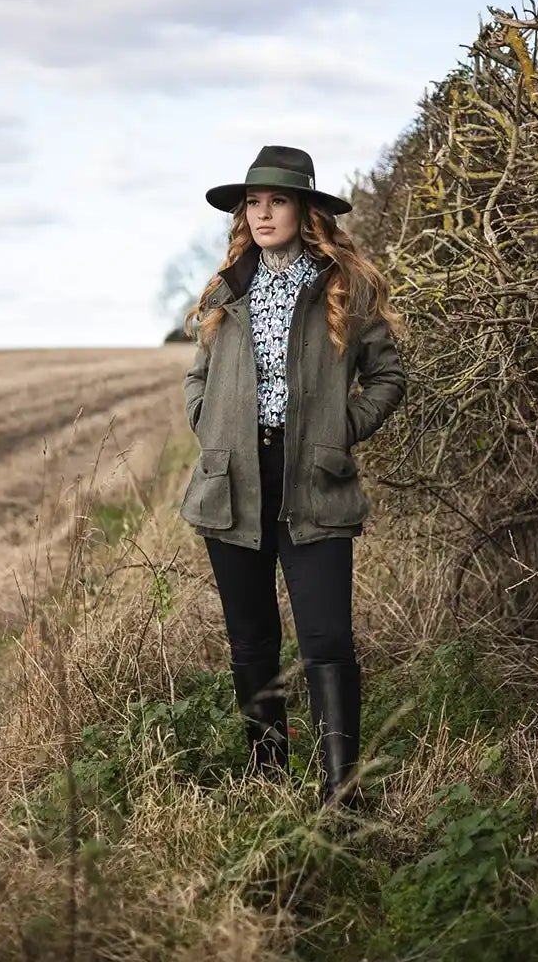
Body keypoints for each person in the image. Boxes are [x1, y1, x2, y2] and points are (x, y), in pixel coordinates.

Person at [180, 145, 407, 808]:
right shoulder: (226, 288)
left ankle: (342, 790)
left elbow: (388, 376)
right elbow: (199, 373)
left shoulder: (346, 285)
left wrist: (343, 429)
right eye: (254, 202)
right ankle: (269, 774)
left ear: (305, 209)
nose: (263, 213)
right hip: (234, 483)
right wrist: (208, 423)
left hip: (314, 477)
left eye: (277, 201)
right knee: (251, 637)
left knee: (327, 636)